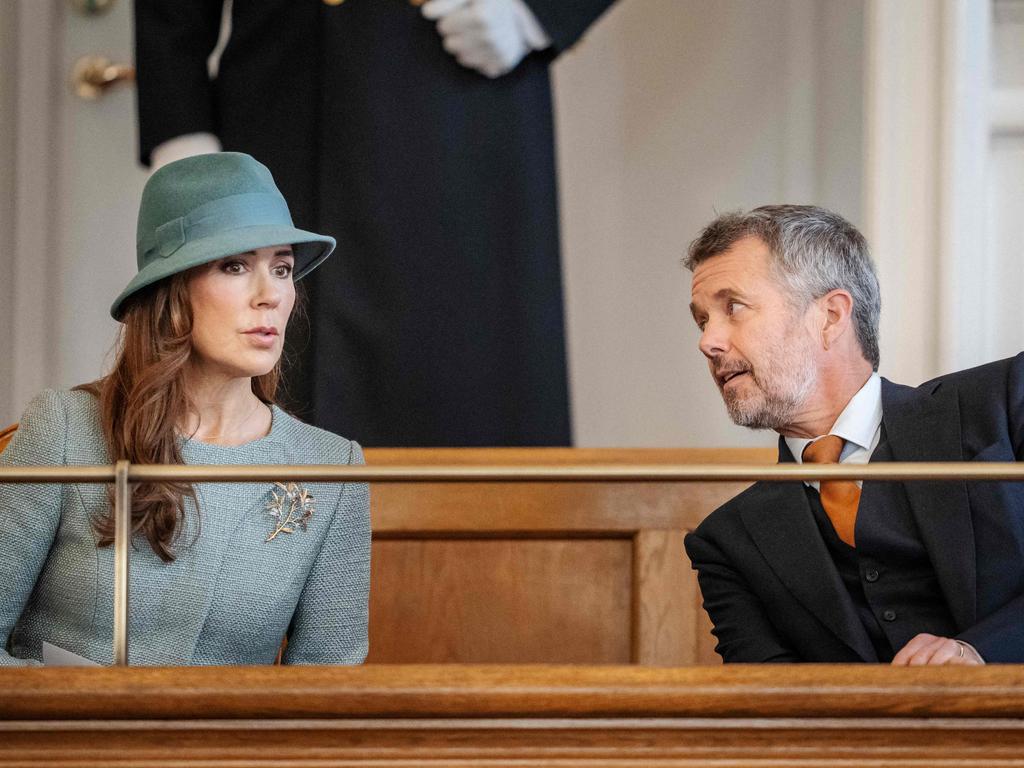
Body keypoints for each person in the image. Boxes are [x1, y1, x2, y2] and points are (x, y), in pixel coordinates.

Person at [133, 0, 615, 447]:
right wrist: (181, 131)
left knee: (468, 421)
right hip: (282, 97)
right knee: (261, 418)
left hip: (456, 93)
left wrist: (534, 10)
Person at [0, 152, 370, 666]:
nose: (270, 295)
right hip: (59, 741)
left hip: (230, 748)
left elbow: (326, 693)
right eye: (235, 265)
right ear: (172, 291)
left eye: (282, 268)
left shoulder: (335, 469)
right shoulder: (63, 430)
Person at [682, 204, 1024, 664]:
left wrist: (979, 652)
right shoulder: (726, 541)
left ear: (830, 316)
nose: (709, 342)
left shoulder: (1002, 404)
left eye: (733, 308)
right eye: (703, 320)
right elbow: (763, 705)